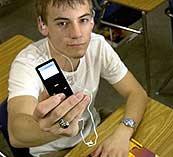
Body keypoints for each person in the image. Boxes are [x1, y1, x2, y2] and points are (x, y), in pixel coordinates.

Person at [7, 0, 148, 156]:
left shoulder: (97, 45)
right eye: (62, 23)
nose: (77, 34)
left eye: (83, 20)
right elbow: (16, 134)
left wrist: (124, 131)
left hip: (94, 129)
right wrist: (53, 130)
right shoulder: (27, 63)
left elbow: (137, 92)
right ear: (42, 25)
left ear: (92, 20)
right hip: (54, 149)